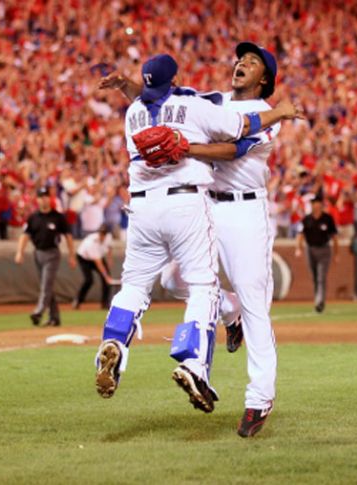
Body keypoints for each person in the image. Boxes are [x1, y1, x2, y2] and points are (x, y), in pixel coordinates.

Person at [93, 53, 301, 417]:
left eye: (252, 61)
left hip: (243, 209)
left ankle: (258, 398)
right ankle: (214, 332)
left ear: (264, 78)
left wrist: (184, 146)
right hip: (199, 202)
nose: (241, 63)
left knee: (254, 300)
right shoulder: (211, 101)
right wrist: (129, 86)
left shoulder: (269, 114)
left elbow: (233, 148)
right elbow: (158, 97)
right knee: (176, 279)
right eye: (240, 58)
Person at [14, 186, 77, 326]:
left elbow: (68, 237)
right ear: (37, 200)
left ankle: (39, 311)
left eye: (46, 196)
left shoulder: (58, 217)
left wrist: (72, 255)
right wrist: (20, 252)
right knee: (47, 286)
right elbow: (25, 236)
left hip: (52, 254)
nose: (43, 199)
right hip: (37, 253)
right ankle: (54, 317)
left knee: (46, 284)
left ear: (50, 198)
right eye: (41, 197)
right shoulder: (33, 217)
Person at [294, 196, 340, 313]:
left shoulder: (328, 218)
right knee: (314, 277)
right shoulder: (307, 219)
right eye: (314, 203)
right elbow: (300, 235)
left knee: (321, 276)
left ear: (321, 205)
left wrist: (336, 253)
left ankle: (319, 301)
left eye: (318, 203)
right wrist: (298, 248)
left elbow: (334, 237)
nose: (316, 205)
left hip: (324, 250)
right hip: (310, 249)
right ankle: (318, 298)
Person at [73, 225, 115, 310]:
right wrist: (106, 277)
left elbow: (110, 247)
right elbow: (98, 263)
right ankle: (78, 301)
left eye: (104, 233)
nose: (102, 235)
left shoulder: (108, 237)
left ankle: (105, 304)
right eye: (101, 233)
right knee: (89, 280)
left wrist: (110, 259)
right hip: (84, 258)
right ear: (98, 233)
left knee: (107, 281)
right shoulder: (91, 243)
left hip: (98, 256)